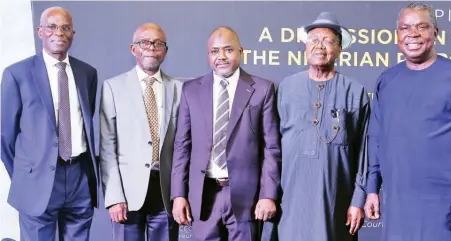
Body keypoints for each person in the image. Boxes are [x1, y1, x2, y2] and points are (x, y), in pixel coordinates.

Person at [365, 2, 451, 241]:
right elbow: (376, 138)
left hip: (446, 207)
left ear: (435, 33)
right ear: (397, 35)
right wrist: (372, 188)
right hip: (397, 206)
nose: (412, 34)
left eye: (421, 27)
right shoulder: (387, 80)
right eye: (405, 28)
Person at [171, 26, 281, 241]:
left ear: (241, 52)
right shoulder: (191, 90)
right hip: (203, 197)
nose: (221, 56)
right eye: (214, 51)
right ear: (208, 55)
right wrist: (178, 194)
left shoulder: (263, 89)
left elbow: (271, 148)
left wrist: (268, 194)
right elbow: (182, 146)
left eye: (228, 50)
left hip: (245, 197)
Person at [1, 7, 99, 241]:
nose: (59, 33)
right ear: (40, 32)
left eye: (66, 28)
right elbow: (5, 136)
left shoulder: (87, 73)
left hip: (79, 178)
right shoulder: (17, 74)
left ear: (73, 34)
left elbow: (86, 119)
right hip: (38, 180)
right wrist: (27, 174)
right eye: (52, 26)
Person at [276, 12, 369, 241]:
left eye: (328, 41)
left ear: (339, 50)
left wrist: (358, 200)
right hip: (290, 202)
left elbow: (365, 153)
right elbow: (270, 148)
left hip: (336, 201)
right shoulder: (286, 88)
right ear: (305, 47)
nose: (320, 46)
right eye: (314, 40)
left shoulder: (355, 92)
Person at [99, 23, 182, 241]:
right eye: (144, 42)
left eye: (158, 43)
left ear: (165, 51)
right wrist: (114, 196)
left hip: (166, 193)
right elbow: (107, 147)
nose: (151, 47)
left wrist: (180, 193)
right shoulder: (112, 87)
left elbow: (184, 146)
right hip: (126, 194)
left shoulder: (180, 89)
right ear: (133, 48)